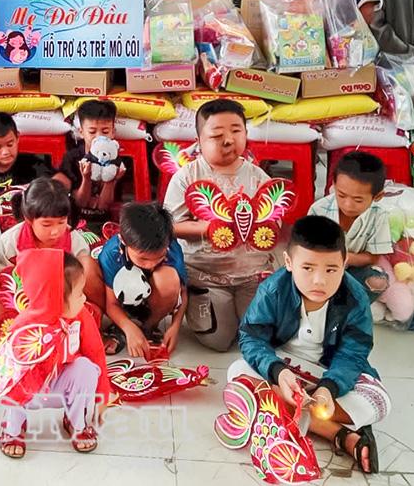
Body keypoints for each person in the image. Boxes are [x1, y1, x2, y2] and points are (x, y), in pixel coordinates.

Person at [220, 215, 391, 474]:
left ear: (344, 262)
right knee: (238, 373)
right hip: (284, 366)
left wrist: (329, 389)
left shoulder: (355, 297)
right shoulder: (273, 290)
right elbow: (252, 337)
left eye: (331, 270)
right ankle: (338, 434)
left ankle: (284, 410)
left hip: (329, 371)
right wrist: (278, 372)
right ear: (289, 262)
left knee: (379, 402)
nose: (319, 280)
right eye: (308, 268)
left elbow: (353, 353)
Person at [163, 99, 272, 352]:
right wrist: (208, 228)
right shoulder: (187, 177)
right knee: (219, 341)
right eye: (216, 135)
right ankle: (204, 300)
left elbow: (272, 223)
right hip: (206, 274)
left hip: (251, 275)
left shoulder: (259, 177)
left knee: (261, 337)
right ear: (199, 141)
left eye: (236, 131)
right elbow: (168, 226)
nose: (228, 140)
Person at [0, 249, 109, 459]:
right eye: (79, 294)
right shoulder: (24, 325)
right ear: (54, 298)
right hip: (30, 393)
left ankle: (76, 422)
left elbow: (96, 353)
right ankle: (13, 428)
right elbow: (6, 369)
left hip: (62, 387)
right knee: (12, 376)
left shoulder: (81, 316)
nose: (84, 298)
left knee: (86, 368)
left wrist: (103, 396)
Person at [99, 202, 188, 359]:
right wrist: (128, 327)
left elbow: (183, 293)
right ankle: (120, 325)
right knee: (88, 270)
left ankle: (148, 327)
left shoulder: (171, 249)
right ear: (123, 241)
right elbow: (111, 303)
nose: (151, 264)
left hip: (152, 303)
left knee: (167, 279)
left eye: (159, 257)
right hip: (121, 304)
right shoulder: (112, 253)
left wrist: (175, 327)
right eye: (143, 259)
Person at [0, 179, 105, 305]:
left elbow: (80, 285)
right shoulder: (10, 242)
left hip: (68, 300)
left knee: (87, 265)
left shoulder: (75, 241)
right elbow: (6, 283)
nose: (55, 231)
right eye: (46, 224)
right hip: (26, 301)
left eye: (61, 222)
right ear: (28, 219)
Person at [308, 151, 393, 302]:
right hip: (320, 268)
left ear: (377, 196)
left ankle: (344, 305)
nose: (348, 205)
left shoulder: (379, 216)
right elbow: (306, 248)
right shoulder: (318, 209)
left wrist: (346, 258)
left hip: (354, 270)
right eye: (341, 195)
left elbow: (373, 256)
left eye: (358, 200)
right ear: (334, 185)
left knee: (378, 282)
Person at [54, 99, 127, 231]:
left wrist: (111, 181)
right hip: (75, 221)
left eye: (105, 132)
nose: (99, 137)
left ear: (113, 132)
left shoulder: (115, 160)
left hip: (105, 222)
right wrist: (86, 178)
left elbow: (103, 206)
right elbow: (80, 203)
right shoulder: (72, 158)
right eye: (92, 132)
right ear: (81, 132)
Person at [0, 112, 53, 199]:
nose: (5, 152)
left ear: (17, 138)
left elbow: (52, 185)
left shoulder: (34, 165)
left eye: (10, 144)